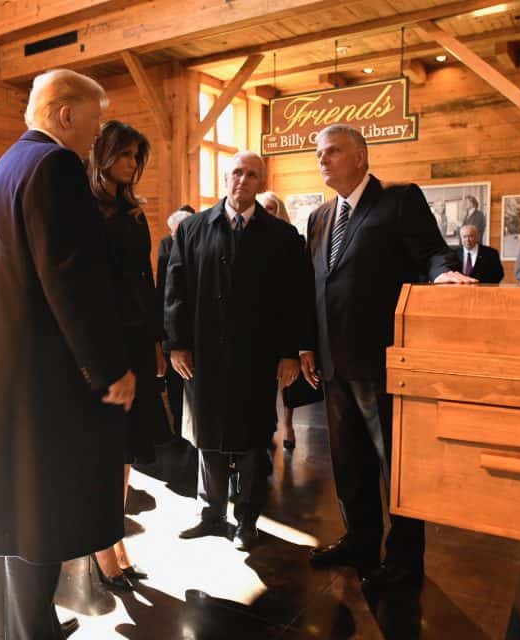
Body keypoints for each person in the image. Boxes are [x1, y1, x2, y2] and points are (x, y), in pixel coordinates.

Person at [0, 68, 135, 640]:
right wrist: (109, 368)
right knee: (43, 511)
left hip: (9, 368)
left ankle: (20, 626)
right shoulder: (56, 166)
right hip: (46, 378)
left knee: (20, 513)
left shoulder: (6, 167)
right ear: (66, 115)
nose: (97, 132)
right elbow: (71, 278)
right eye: (95, 119)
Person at [299, 125, 472, 590]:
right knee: (348, 463)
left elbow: (434, 252)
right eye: (319, 153)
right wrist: (306, 345)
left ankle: (404, 560)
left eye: (332, 151)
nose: (323, 160)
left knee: (397, 468)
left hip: (383, 363)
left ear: (360, 157)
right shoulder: (318, 217)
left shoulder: (397, 201)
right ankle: (360, 541)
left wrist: (443, 277)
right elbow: (313, 287)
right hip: (334, 364)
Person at [167, 151, 306, 551]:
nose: (242, 180)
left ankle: (247, 517)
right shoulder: (192, 229)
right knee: (207, 434)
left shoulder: (281, 237)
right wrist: (176, 344)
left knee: (251, 438)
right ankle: (210, 512)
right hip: (204, 355)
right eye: (236, 173)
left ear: (260, 182)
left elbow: (293, 301)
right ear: (224, 178)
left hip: (256, 357)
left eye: (251, 174)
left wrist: (289, 353)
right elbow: (175, 292)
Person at [89, 119, 168, 588]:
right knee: (105, 447)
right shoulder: (88, 209)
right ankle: (103, 543)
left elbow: (145, 279)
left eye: (137, 157)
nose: (132, 164)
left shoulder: (133, 210)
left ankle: (114, 537)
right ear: (104, 155)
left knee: (124, 452)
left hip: (137, 339)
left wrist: (156, 342)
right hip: (105, 339)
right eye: (124, 154)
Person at [256, 190, 319, 450]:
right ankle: (266, 425)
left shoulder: (292, 239)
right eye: (263, 208)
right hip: (261, 324)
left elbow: (301, 288)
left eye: (271, 208)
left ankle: (289, 424)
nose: (267, 213)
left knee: (288, 382)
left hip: (285, 321)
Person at [157, 205, 193, 436]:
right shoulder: (166, 245)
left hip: (196, 319)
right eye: (172, 232)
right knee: (176, 378)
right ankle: (179, 425)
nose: (175, 236)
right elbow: (163, 287)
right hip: (172, 319)